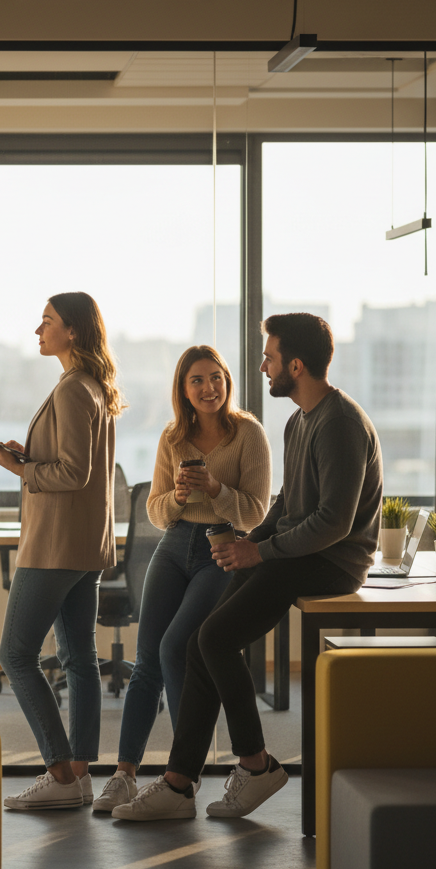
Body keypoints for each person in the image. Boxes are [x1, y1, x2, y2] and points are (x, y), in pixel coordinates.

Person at [112, 312, 382, 821]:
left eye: (270, 357)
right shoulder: (301, 419)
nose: (262, 366)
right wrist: (249, 543)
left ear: (296, 365)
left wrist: (258, 551)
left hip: (328, 563)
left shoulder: (339, 422)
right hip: (292, 552)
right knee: (197, 642)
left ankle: (254, 765)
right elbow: (285, 506)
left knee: (211, 640)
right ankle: (179, 784)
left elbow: (333, 524)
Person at [92, 345, 272, 813]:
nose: (208, 387)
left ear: (227, 382)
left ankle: (180, 779)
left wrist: (215, 489)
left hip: (220, 549)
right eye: (197, 380)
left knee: (178, 647)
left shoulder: (249, 434)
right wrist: (176, 496)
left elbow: (256, 512)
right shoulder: (173, 437)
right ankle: (124, 775)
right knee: (146, 660)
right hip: (173, 548)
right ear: (183, 388)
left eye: (216, 377)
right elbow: (154, 509)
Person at [0, 292, 124, 810]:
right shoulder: (93, 388)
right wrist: (29, 456)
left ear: (74, 332)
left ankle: (60, 774)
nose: (37, 331)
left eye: (47, 322)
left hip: (55, 546)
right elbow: (74, 467)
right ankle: (79, 777)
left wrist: (18, 468)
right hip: (87, 546)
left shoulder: (71, 389)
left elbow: (72, 474)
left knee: (14, 655)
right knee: (79, 658)